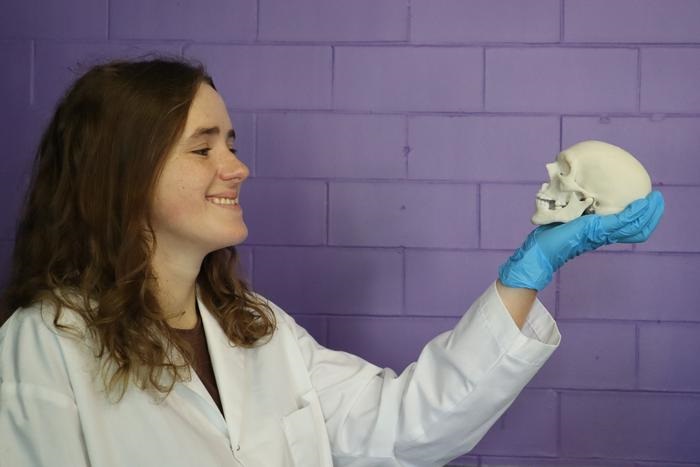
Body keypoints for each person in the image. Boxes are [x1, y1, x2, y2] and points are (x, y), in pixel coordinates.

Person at [0, 57, 664, 467]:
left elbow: (410, 425)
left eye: (230, 142)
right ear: (120, 174)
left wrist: (529, 270)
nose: (237, 165)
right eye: (203, 148)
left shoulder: (254, 329)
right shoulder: (41, 349)